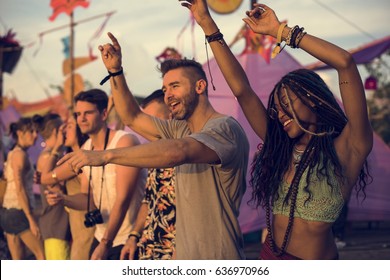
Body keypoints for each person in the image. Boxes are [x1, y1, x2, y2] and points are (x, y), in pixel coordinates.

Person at [182, 0, 373, 259]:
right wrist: (207, 24)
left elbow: (345, 63)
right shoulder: (280, 144)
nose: (280, 115)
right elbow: (242, 91)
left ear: (313, 100)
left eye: (286, 104)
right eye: (277, 109)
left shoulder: (350, 148)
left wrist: (280, 32)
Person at [58, 32, 250, 259]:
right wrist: (115, 71)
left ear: (200, 86)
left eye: (175, 86)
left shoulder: (225, 128)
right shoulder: (179, 129)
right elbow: (131, 117)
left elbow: (179, 152)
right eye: (165, 89)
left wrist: (104, 156)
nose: (168, 95)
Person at [45, 89, 146, 260]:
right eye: (78, 114)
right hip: (101, 236)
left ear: (104, 113)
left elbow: (123, 199)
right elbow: (89, 198)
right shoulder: (86, 148)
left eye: (88, 113)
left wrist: (106, 243)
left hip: (127, 239)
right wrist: (63, 199)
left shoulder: (124, 141)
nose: (81, 119)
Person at [120, 89, 176, 260]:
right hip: (149, 250)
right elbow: (148, 201)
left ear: (171, 117)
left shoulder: (191, 156)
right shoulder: (156, 156)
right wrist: (134, 236)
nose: (147, 128)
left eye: (152, 121)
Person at [36, 115, 95, 260]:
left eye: (69, 126)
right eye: (63, 127)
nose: (65, 131)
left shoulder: (84, 158)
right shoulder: (70, 160)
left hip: (86, 227)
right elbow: (46, 178)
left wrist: (56, 147)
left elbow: (46, 178)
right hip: (73, 227)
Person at [0, 117, 45, 260]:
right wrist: (31, 219)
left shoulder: (13, 153)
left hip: (7, 212)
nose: (35, 135)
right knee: (42, 255)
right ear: (20, 133)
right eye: (31, 131)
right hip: (19, 212)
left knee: (17, 260)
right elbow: (19, 188)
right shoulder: (20, 155)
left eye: (36, 131)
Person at [33, 113, 71, 260]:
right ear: (56, 131)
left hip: (57, 225)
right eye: (63, 128)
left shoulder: (50, 156)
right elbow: (58, 190)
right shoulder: (47, 158)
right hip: (55, 226)